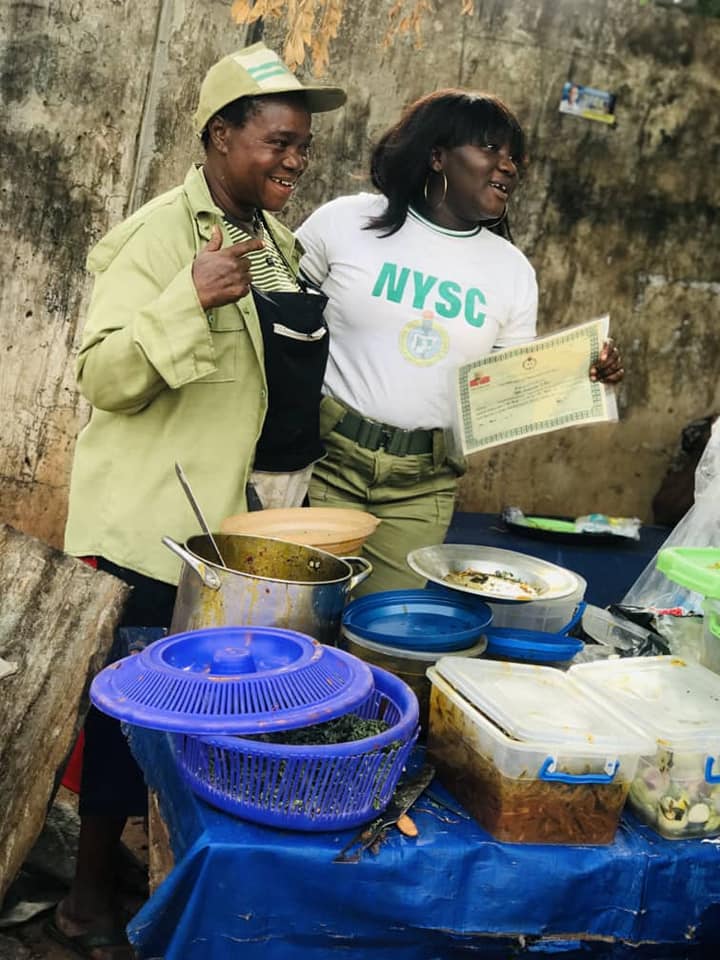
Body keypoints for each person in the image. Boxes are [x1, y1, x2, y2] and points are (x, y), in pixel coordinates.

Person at [51, 42, 345, 959]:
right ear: (220, 136)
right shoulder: (158, 238)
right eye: (277, 142)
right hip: (154, 527)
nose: (294, 161)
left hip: (240, 528)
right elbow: (101, 375)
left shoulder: (276, 244)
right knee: (124, 715)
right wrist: (186, 298)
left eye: (302, 147)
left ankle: (167, 867)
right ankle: (85, 898)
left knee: (214, 706)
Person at [296, 89, 623, 596]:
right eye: (491, 149)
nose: (508, 167)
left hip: (421, 485)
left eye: (514, 157)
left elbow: (503, 395)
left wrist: (580, 374)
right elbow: (281, 326)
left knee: (385, 633)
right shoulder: (346, 223)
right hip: (324, 460)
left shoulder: (511, 270)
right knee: (299, 615)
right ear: (437, 155)